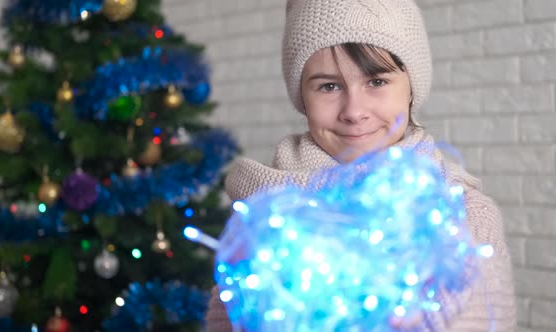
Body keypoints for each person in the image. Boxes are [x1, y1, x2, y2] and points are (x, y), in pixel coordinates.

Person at [205, 0, 516, 330]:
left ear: (411, 89)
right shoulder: (263, 213)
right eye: (329, 86)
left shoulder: (465, 215)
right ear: (302, 97)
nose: (354, 110)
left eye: (377, 81)